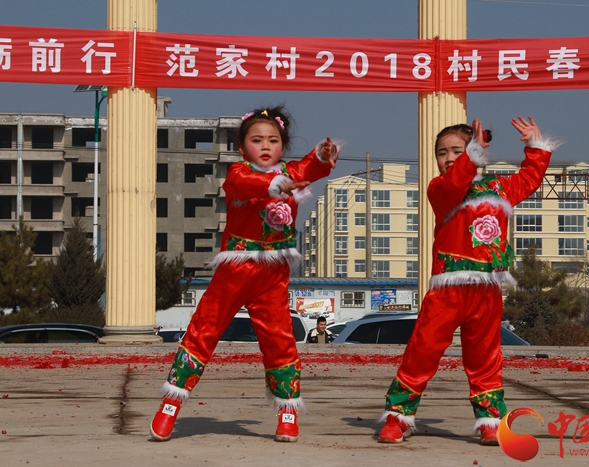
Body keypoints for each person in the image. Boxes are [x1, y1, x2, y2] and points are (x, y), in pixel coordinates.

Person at [150, 105, 339, 443]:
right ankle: (170, 403)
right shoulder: (237, 173)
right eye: (256, 140)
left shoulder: (291, 170)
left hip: (272, 275)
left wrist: (323, 156)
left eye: (273, 140)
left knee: (280, 339)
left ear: (282, 145)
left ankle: (287, 410)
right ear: (242, 147)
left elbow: (310, 167)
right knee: (203, 330)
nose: (265, 146)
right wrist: (278, 184)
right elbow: (247, 183)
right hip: (236, 270)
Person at [377, 116, 559, 446]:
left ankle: (489, 420)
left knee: (485, 357)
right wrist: (470, 155)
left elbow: (530, 179)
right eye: (442, 152)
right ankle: (397, 417)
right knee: (423, 352)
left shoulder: (500, 189)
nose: (448, 158)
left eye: (456, 150)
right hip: (447, 290)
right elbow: (455, 182)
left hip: (486, 291)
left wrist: (535, 145)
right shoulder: (441, 190)